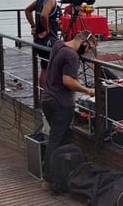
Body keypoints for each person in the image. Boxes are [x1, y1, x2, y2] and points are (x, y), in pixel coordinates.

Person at [41, 31, 97, 187]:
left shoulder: (58, 46)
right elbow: (68, 81)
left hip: (47, 99)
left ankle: (59, 174)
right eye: (87, 49)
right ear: (83, 43)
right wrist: (87, 90)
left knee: (57, 138)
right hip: (61, 103)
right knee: (56, 139)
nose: (86, 53)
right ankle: (48, 179)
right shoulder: (72, 56)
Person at [24, 0, 62, 88]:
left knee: (45, 67)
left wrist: (33, 26)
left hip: (38, 39)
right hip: (48, 40)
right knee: (49, 67)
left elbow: (27, 10)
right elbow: (44, 15)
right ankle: (47, 92)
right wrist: (47, 30)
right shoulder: (51, 1)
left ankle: (43, 93)